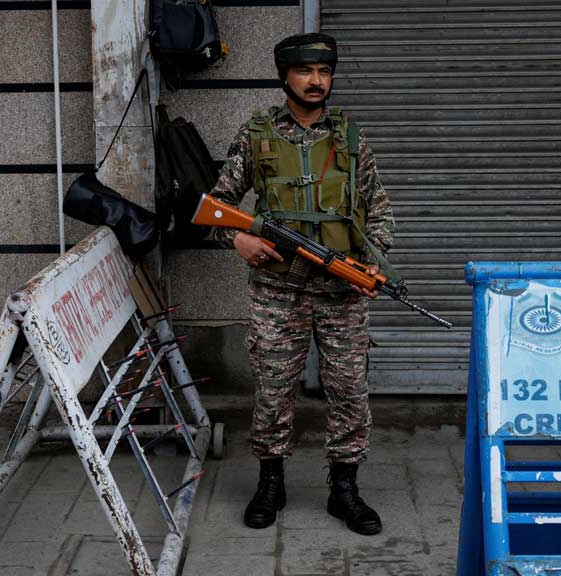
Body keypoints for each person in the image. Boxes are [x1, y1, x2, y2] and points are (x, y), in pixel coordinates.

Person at [207, 32, 395, 535]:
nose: (317, 81)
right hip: (277, 291)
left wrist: (373, 263)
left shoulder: (351, 138)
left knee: (350, 391)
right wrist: (238, 241)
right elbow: (216, 205)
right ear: (285, 75)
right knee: (273, 390)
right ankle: (271, 483)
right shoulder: (257, 135)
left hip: (341, 293)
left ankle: (345, 489)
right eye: (307, 71)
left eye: (325, 72)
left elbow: (379, 213)